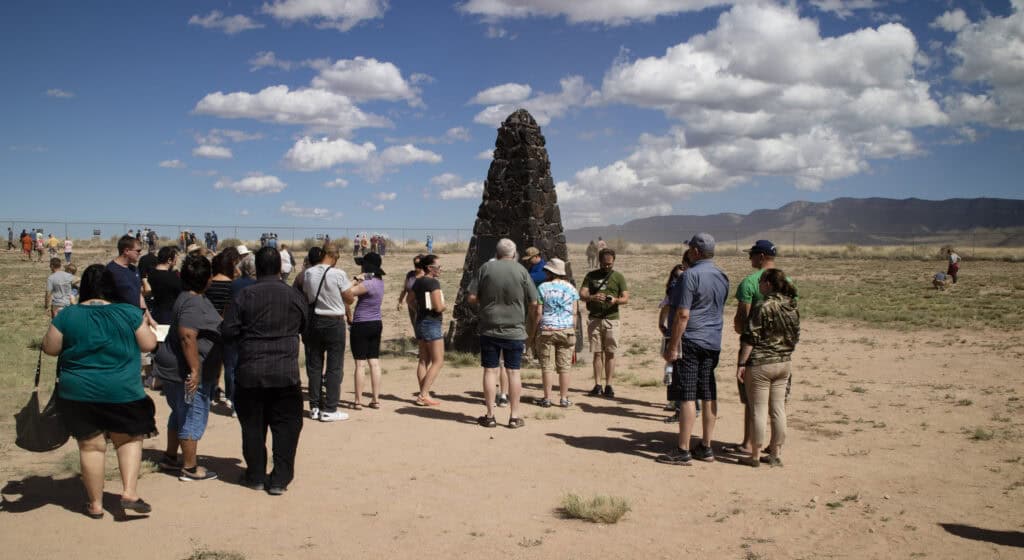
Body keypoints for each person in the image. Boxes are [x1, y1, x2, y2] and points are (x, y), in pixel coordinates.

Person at [41, 264, 158, 518]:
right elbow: (149, 343)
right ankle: (129, 493)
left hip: (79, 392)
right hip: (122, 390)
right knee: (127, 439)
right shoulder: (127, 313)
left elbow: (50, 348)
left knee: (91, 447)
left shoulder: (68, 315)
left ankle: (95, 505)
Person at [222, 247, 308, 495]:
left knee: (252, 426)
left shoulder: (245, 295)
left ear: (256, 268)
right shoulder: (293, 295)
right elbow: (305, 325)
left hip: (251, 372)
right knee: (287, 426)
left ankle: (256, 475)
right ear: (281, 268)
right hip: (285, 373)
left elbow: (228, 330)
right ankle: (280, 478)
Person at [658, 233, 729, 465]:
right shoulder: (722, 276)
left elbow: (683, 313)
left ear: (696, 252)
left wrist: (673, 344)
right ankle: (706, 446)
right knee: (708, 393)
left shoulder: (690, 276)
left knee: (687, 395)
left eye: (690, 249)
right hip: (713, 340)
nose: (688, 252)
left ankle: (682, 449)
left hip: (691, 340)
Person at [152, 255, 222, 481]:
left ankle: (171, 457)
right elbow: (187, 336)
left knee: (180, 412)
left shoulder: (188, 297)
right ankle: (190, 468)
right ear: (207, 279)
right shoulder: (193, 302)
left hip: (173, 367)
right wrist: (195, 369)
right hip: (185, 371)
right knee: (193, 415)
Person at [467, 238, 539, 428]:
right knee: (514, 372)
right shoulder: (522, 270)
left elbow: (472, 297)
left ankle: (490, 415)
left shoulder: (485, 269)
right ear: (514, 254)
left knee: (490, 370)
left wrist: (486, 302)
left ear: (496, 254)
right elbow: (534, 301)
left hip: (489, 328)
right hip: (515, 330)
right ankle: (514, 416)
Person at [736, 269, 800, 467]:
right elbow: (796, 335)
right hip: (784, 362)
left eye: (762, 282)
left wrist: (742, 363)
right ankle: (775, 452)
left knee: (759, 409)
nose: (760, 286)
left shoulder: (763, 305)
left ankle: (754, 455)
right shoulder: (791, 306)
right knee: (778, 409)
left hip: (761, 363)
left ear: (769, 284)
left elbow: (750, 337)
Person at [729, 240, 778, 455]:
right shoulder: (788, 281)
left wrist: (741, 329)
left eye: (751, 255)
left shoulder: (750, 282)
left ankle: (749, 443)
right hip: (780, 348)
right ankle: (774, 446)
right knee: (776, 402)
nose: (750, 259)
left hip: (754, 348)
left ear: (760, 256)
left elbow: (743, 320)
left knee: (752, 399)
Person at [303, 244, 354, 421]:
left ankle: (314, 406)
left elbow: (307, 294)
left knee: (314, 366)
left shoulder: (308, 273)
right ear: (334, 256)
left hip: (314, 321)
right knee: (334, 367)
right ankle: (330, 409)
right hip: (334, 322)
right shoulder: (338, 274)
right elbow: (350, 298)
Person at [579, 248, 629, 398]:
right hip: (595, 318)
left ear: (614, 262)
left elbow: (626, 298)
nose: (607, 266)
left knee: (610, 353)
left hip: (612, 319)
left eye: (610, 264)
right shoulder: (591, 276)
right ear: (599, 261)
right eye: (604, 264)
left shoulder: (618, 277)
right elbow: (582, 294)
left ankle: (609, 385)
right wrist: (593, 297)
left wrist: (615, 300)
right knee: (597, 353)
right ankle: (597, 385)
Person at [531, 258, 578, 408]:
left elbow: (538, 312)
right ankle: (564, 398)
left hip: (547, 330)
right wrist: (573, 330)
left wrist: (533, 332)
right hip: (566, 330)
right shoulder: (571, 288)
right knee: (564, 367)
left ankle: (547, 398)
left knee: (547, 366)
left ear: (550, 272)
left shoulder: (542, 288)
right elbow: (575, 313)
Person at [349, 252, 385, 410]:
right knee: (374, 362)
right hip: (376, 323)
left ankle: (358, 400)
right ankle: (375, 399)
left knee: (360, 364)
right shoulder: (379, 282)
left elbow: (348, 292)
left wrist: (357, 279)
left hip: (361, 324)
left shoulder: (367, 284)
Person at [412, 254, 445, 406]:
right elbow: (438, 307)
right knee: (438, 361)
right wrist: (443, 307)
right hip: (432, 323)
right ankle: (423, 395)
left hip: (420, 321)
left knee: (424, 360)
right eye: (439, 266)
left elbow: (409, 301)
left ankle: (423, 393)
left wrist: (421, 309)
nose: (441, 269)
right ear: (430, 268)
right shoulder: (433, 283)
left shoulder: (417, 282)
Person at [107, 235, 157, 329]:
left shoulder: (134, 269)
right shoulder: (110, 271)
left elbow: (139, 296)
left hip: (137, 320)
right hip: (120, 323)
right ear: (126, 251)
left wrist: (149, 318)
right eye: (138, 251)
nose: (140, 253)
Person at [659, 262, 688, 422]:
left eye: (680, 277)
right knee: (672, 373)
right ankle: (677, 406)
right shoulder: (672, 293)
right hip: (672, 335)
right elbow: (665, 306)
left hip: (683, 339)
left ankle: (681, 410)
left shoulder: (687, 293)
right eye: (675, 277)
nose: (677, 280)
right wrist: (661, 323)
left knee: (680, 376)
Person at [146, 247, 182, 325]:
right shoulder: (172, 277)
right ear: (169, 260)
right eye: (175, 259)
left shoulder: (151, 273)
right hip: (169, 314)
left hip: (155, 311)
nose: (176, 262)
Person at [397, 254, 424, 330]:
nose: (416, 266)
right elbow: (404, 289)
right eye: (415, 264)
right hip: (411, 305)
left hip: (422, 305)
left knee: (422, 324)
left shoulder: (426, 276)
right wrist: (400, 301)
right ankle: (418, 340)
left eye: (418, 264)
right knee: (414, 324)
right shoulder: (410, 274)